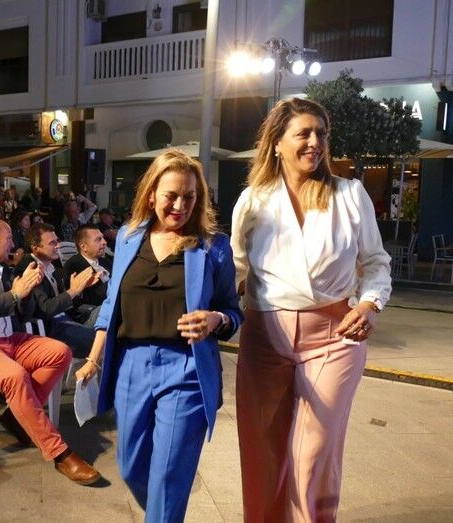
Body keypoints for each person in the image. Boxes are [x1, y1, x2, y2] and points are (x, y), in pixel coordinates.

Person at [230, 98, 392, 522]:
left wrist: (370, 303)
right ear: (277, 143)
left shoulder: (349, 194)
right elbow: (235, 270)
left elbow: (376, 262)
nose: (315, 142)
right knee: (261, 455)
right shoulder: (253, 201)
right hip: (264, 338)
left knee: (312, 457)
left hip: (335, 338)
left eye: (321, 133)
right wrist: (212, 308)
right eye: (303, 133)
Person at [76, 149, 242, 521]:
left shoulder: (213, 246)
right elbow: (112, 305)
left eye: (190, 197)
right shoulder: (129, 236)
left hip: (186, 369)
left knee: (167, 478)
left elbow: (233, 312)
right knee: (131, 466)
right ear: (151, 194)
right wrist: (93, 359)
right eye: (171, 195)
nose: (180, 205)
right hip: (130, 365)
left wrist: (215, 318)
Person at [0, 217, 100, 485]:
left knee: (60, 352)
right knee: (15, 376)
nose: (13, 243)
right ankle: (59, 453)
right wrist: (14, 294)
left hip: (9, 339)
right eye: (9, 238)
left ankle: (16, 417)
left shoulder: (4, 269)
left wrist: (27, 292)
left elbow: (25, 313)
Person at [14, 222, 99, 358]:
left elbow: (66, 304)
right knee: (103, 339)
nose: (58, 246)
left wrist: (80, 289)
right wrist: (73, 291)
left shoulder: (52, 267)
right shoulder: (29, 270)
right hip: (52, 329)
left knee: (109, 312)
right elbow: (45, 309)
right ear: (35, 248)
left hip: (69, 319)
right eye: (52, 243)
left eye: (57, 241)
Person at [63, 224, 113, 316]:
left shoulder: (106, 262)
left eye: (103, 238)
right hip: (91, 313)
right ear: (83, 246)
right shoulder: (73, 265)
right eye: (98, 239)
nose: (104, 242)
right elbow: (74, 300)